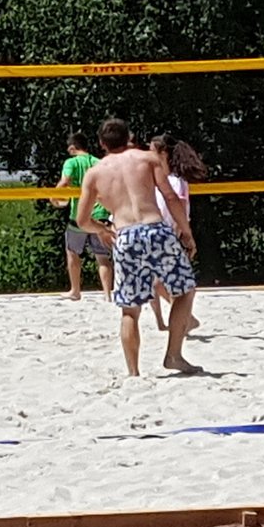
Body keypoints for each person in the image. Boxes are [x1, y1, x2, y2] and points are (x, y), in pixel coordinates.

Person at [76, 118, 201, 376]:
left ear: (101, 143)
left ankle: (133, 372)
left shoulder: (95, 173)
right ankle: (174, 355)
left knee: (130, 310)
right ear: (129, 137)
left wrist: (102, 230)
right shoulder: (147, 159)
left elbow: (82, 220)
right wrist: (186, 232)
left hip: (125, 235)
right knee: (185, 291)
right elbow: (170, 197)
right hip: (155, 230)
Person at [148, 134, 206, 333]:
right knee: (155, 282)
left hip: (168, 235)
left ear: (163, 153)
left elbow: (180, 209)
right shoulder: (156, 179)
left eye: (152, 150)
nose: (148, 154)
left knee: (160, 283)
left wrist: (180, 233)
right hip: (154, 234)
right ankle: (170, 321)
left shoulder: (175, 181)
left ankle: (186, 318)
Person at [50, 132, 114, 301]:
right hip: (100, 213)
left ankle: (75, 290)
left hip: (79, 215)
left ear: (72, 148)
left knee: (72, 252)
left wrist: (54, 197)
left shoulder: (71, 162)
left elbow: (65, 182)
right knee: (102, 257)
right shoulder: (98, 163)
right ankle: (107, 294)